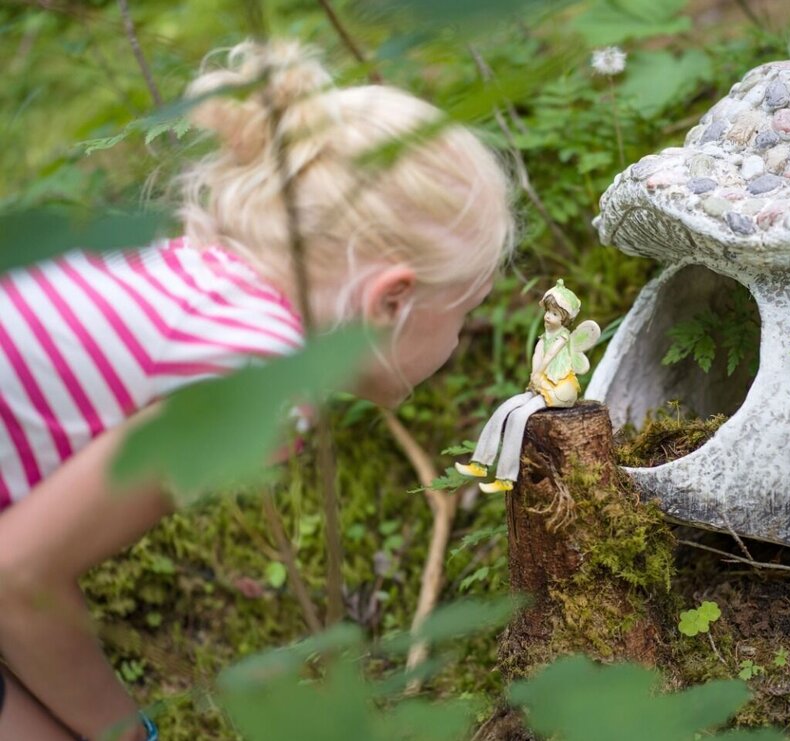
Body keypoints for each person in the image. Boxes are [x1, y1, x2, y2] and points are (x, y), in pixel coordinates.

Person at [0, 40, 514, 741]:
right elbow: (17, 577)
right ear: (391, 300)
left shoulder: (194, 285)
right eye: (465, 312)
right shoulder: (256, 370)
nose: (460, 341)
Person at [455, 280, 599, 493]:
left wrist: (540, 375)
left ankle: (506, 477)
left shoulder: (562, 337)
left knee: (519, 416)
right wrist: (535, 375)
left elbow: (549, 356)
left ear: (565, 319)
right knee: (504, 408)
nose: (549, 317)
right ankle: (480, 463)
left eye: (556, 314)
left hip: (560, 389)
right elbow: (538, 354)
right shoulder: (545, 337)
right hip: (541, 384)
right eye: (548, 311)